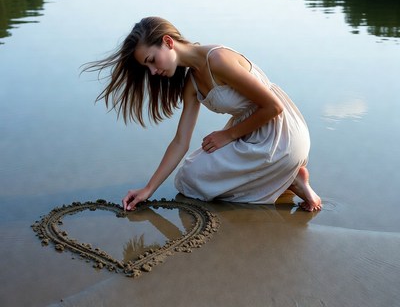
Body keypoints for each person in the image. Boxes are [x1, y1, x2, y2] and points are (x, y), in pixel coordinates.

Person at [84, 17, 322, 212]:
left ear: (168, 42)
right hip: (250, 133)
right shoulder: (192, 83)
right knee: (188, 177)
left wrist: (228, 135)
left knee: (199, 182)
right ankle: (287, 177)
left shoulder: (217, 59)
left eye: (152, 61)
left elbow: (274, 107)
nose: (153, 71)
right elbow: (180, 142)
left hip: (280, 134)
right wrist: (148, 189)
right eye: (148, 68)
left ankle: (290, 177)